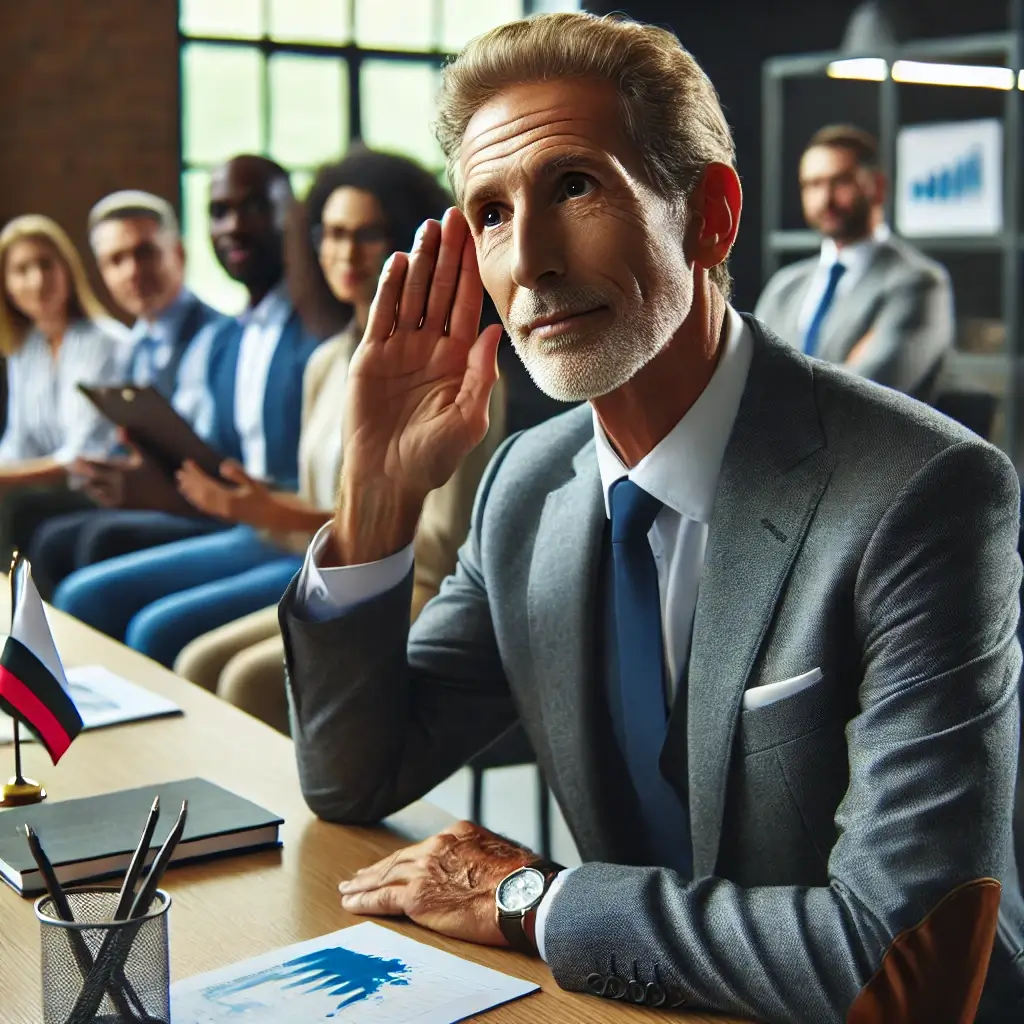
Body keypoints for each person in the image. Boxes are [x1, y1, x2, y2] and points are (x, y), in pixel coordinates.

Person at [280, 14, 1023, 1024]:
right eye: (490, 213)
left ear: (710, 216)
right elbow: (352, 778)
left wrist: (531, 900)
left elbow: (897, 958)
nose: (530, 260)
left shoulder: (925, 492)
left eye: (573, 186)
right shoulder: (523, 488)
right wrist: (377, 497)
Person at [173, 148, 506, 731]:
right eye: (331, 233)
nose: (346, 253)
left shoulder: (461, 366)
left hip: (417, 585)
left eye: (366, 234)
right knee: (195, 662)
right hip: (338, 574)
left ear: (404, 240)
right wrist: (257, 507)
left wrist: (275, 510)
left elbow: (437, 544)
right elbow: (321, 518)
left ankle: (299, 820)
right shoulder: (326, 362)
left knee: (246, 682)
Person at [31, 156, 319, 598]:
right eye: (219, 212)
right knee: (50, 536)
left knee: (95, 566)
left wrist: (168, 492)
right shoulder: (232, 339)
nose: (235, 227)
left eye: (255, 207)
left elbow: (219, 464)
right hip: (234, 513)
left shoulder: (249, 336)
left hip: (275, 522)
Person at [14, 191, 228, 595]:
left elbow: (209, 452)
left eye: (145, 253)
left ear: (178, 253)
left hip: (200, 503)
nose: (133, 271)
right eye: (116, 260)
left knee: (97, 539)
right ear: (102, 272)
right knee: (44, 528)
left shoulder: (217, 338)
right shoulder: (133, 345)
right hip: (144, 493)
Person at [755, 124, 953, 400]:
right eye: (813, 184)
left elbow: (869, 394)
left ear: (878, 187)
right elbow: (749, 381)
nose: (825, 199)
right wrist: (846, 369)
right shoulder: (785, 286)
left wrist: (780, 383)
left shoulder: (919, 282)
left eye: (841, 181)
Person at [0, 214, 129, 555]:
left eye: (46, 265)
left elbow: (83, 457)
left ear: (68, 270)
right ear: (6, 284)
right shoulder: (24, 350)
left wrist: (6, 479)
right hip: (48, 485)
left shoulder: (105, 342)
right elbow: (19, 443)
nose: (37, 279)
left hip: (98, 488)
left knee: (14, 511)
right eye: (22, 270)